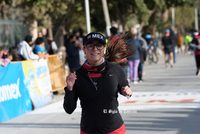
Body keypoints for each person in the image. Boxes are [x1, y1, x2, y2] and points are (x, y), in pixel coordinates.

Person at [63, 32, 132, 134]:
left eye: (99, 45)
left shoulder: (116, 70)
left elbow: (125, 88)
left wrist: (126, 91)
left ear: (104, 49)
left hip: (114, 129)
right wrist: (69, 89)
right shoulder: (77, 75)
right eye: (90, 46)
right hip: (88, 129)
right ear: (84, 50)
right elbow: (69, 109)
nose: (95, 49)